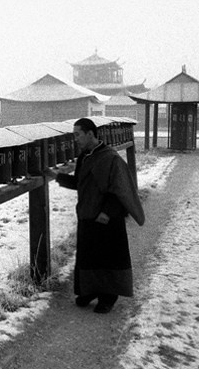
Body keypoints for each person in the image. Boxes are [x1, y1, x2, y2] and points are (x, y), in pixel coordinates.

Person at [48, 118, 145, 314]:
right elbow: (79, 183)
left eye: (78, 134)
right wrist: (56, 176)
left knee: (107, 257)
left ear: (90, 134)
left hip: (107, 219)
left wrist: (107, 212)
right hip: (87, 214)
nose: (75, 139)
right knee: (88, 256)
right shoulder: (85, 156)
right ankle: (90, 291)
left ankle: (108, 297)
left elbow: (121, 190)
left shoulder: (110, 158)